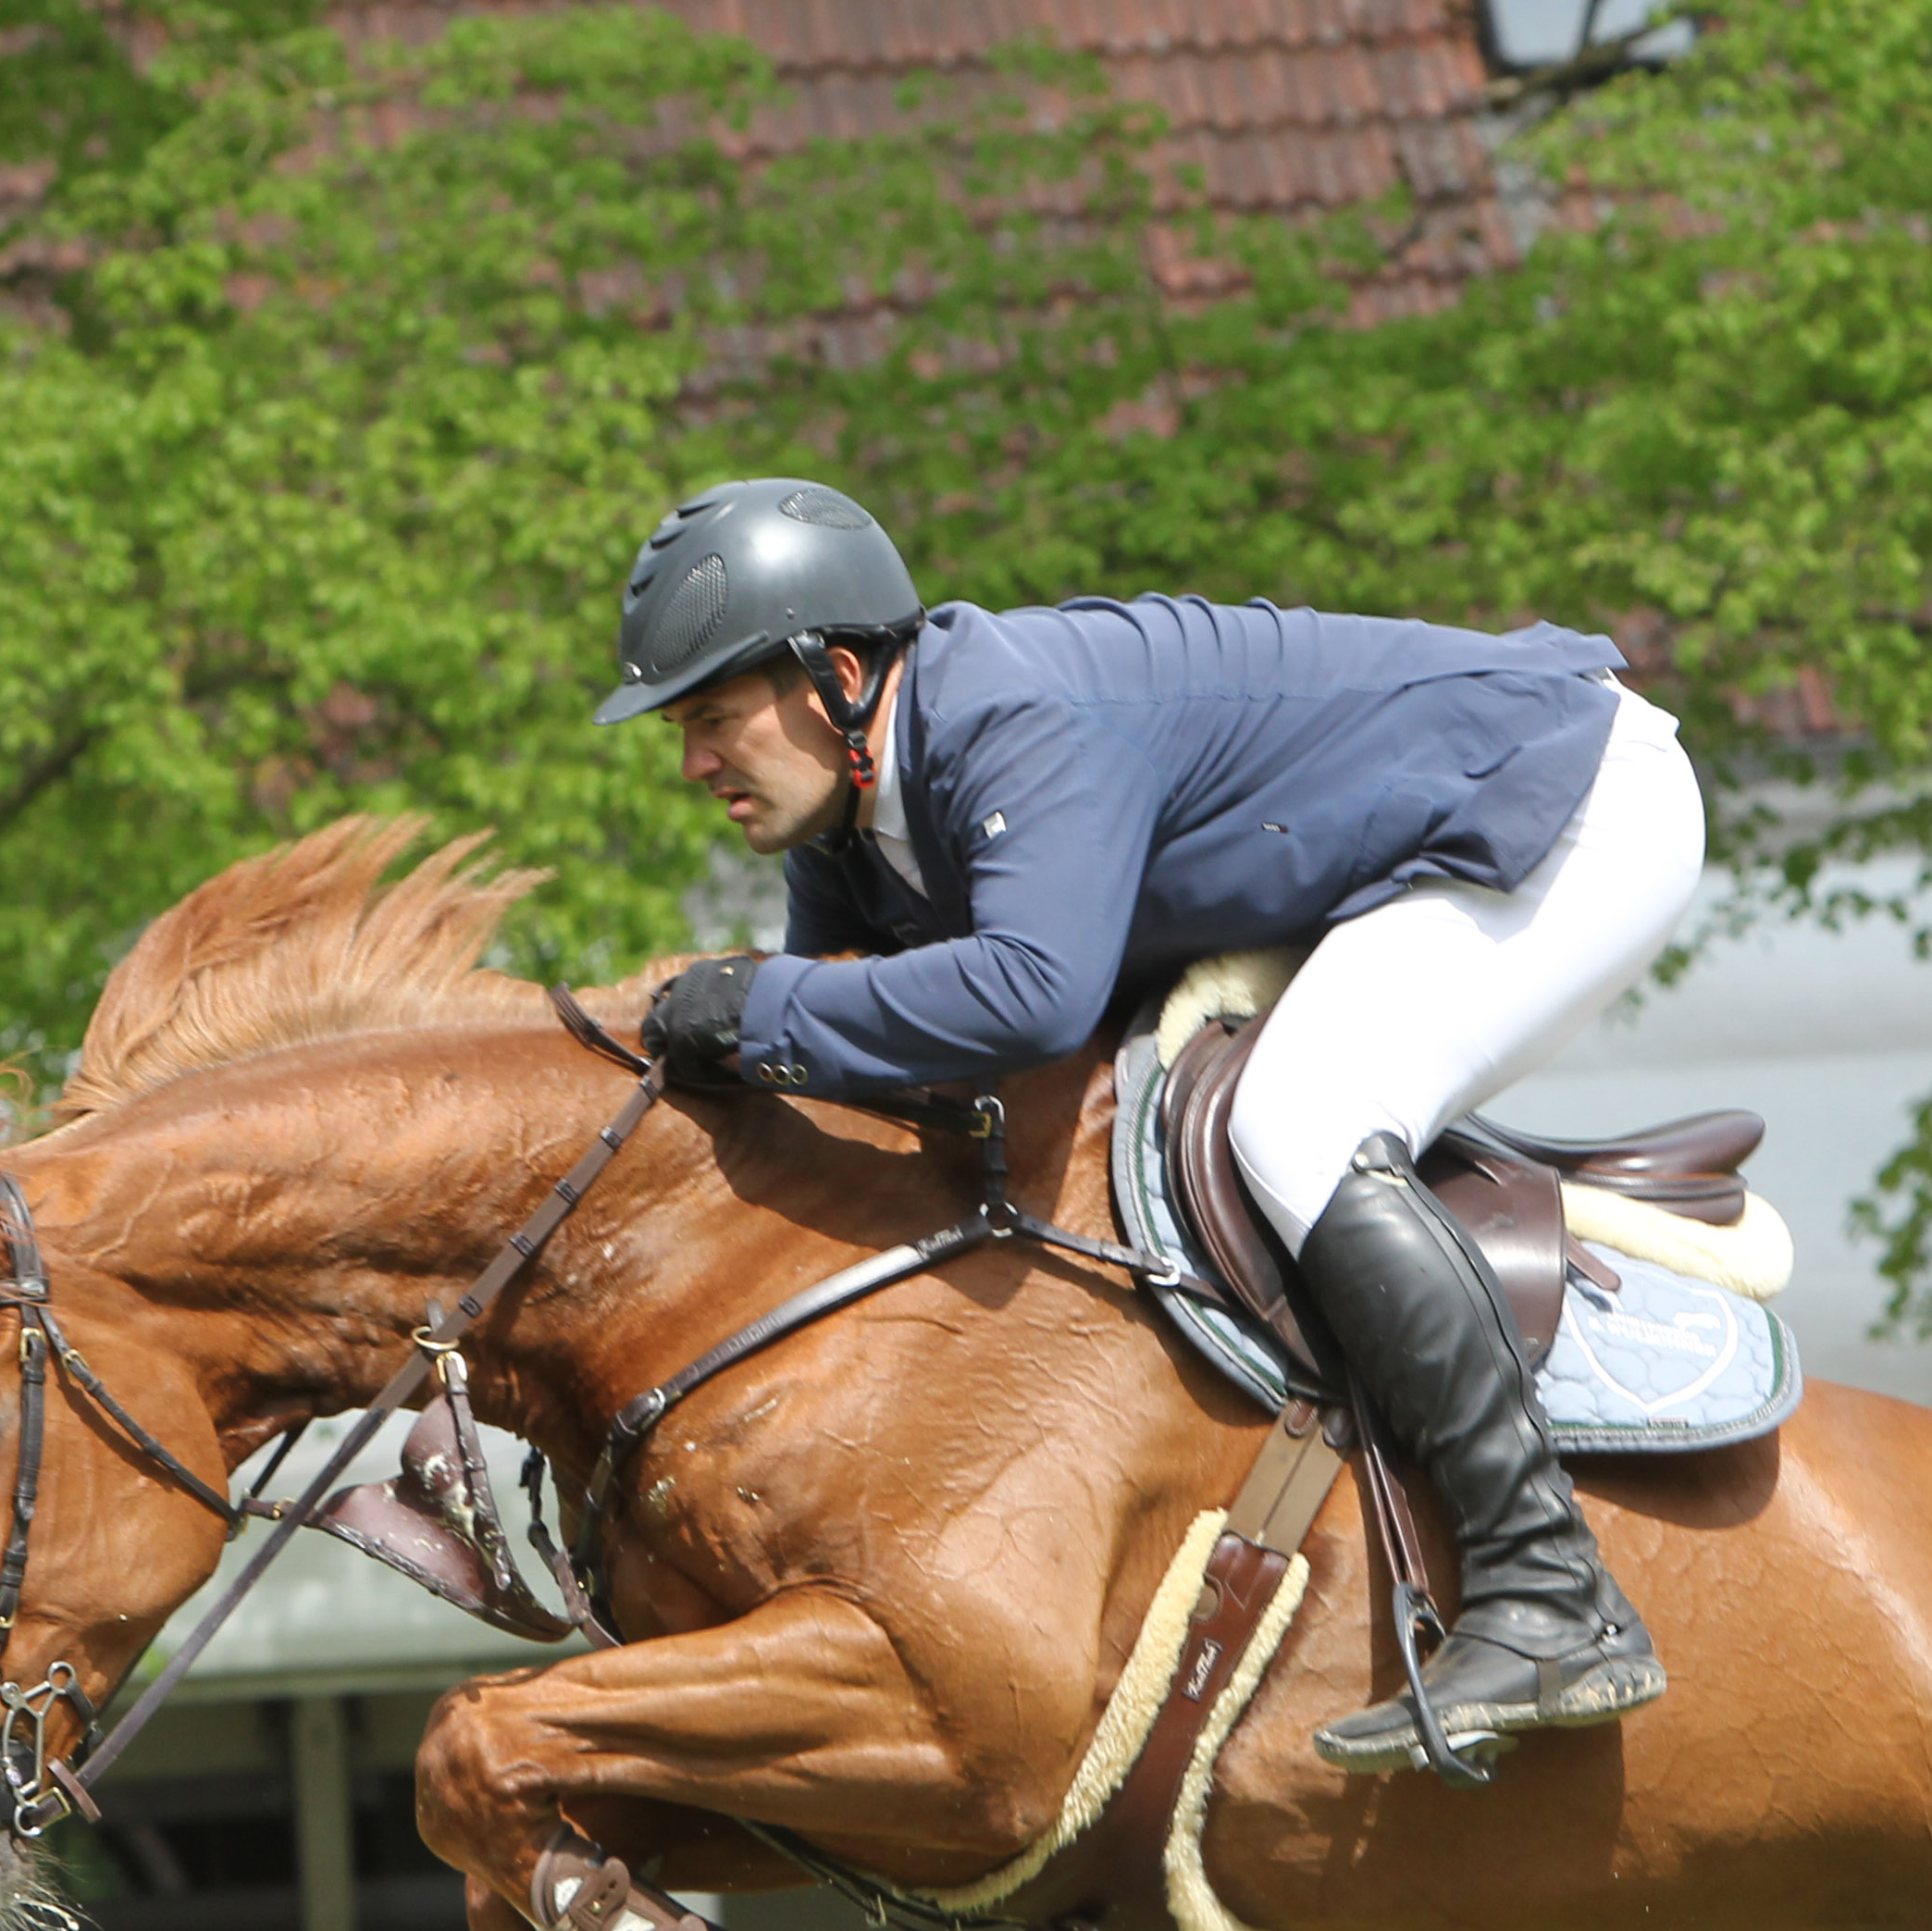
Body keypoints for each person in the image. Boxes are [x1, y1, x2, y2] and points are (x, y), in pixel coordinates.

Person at [599, 482, 1710, 1776]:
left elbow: (1029, 990)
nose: (691, 764)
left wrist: (761, 1004)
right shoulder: (849, 826)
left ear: (836, 675)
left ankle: (1546, 1588)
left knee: (1300, 1121)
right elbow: (840, 1046)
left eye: (712, 718)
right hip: (1408, 850)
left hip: (1566, 808)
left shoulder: (1010, 717)